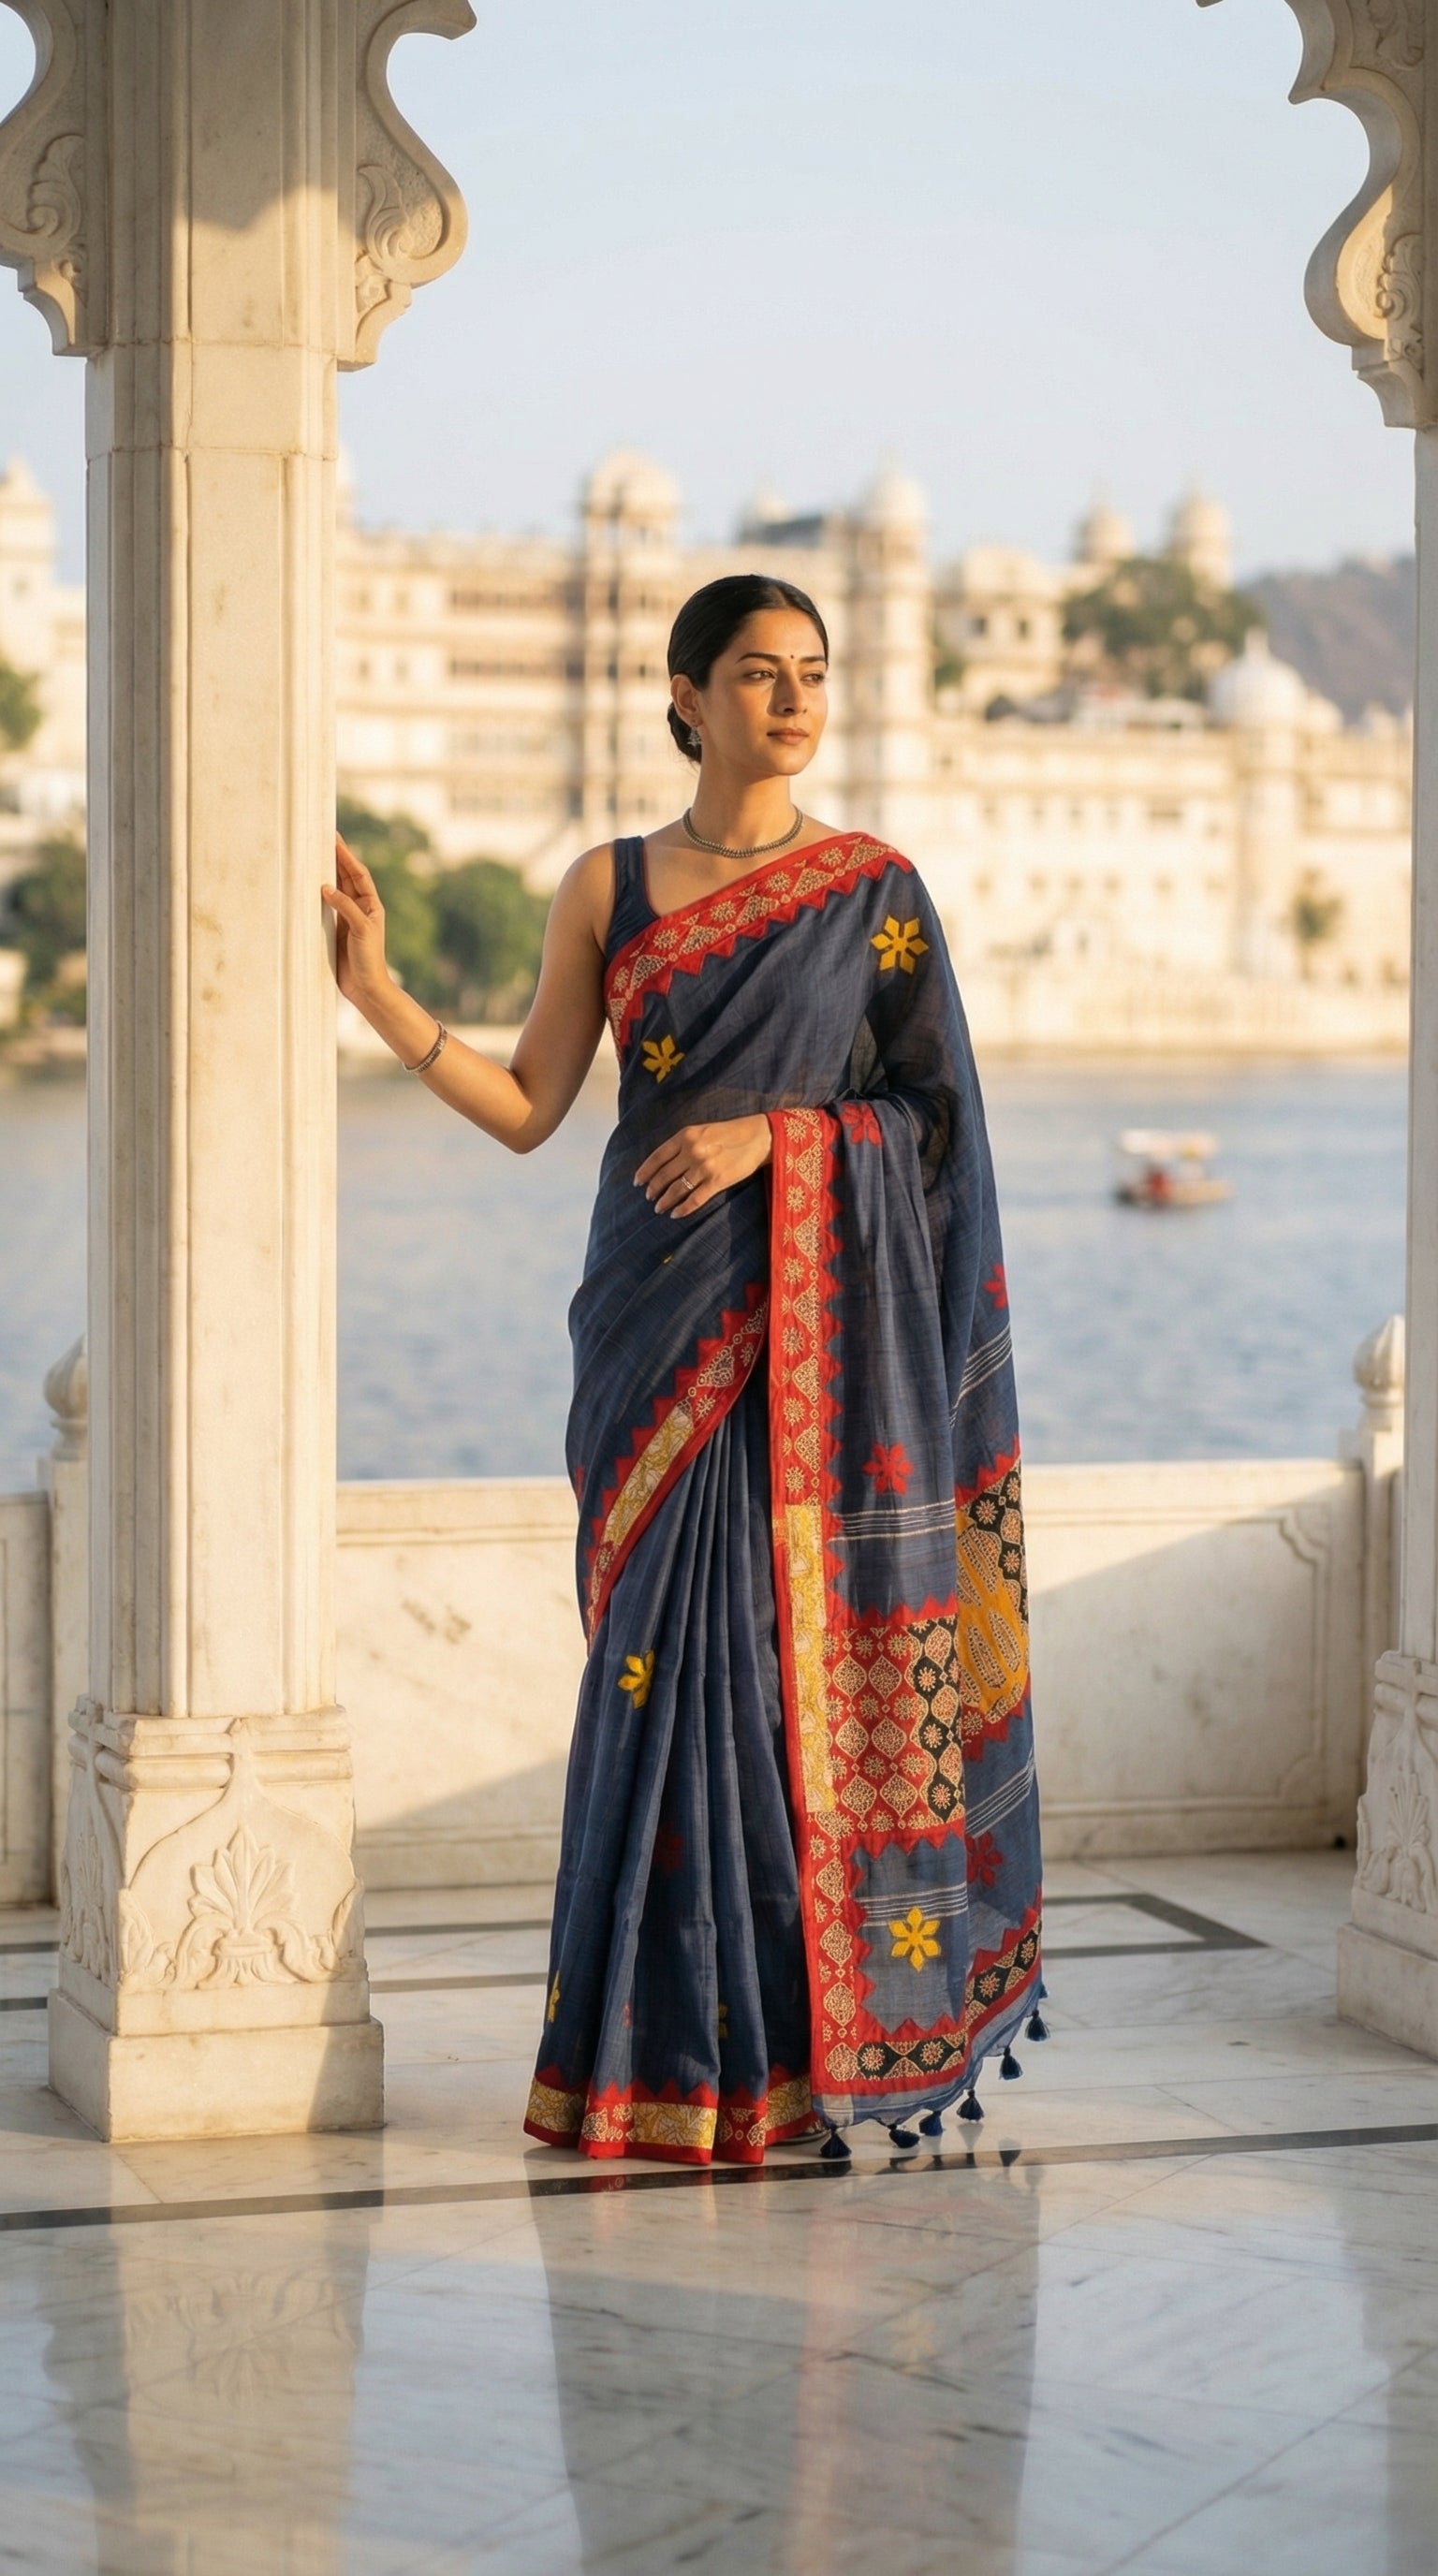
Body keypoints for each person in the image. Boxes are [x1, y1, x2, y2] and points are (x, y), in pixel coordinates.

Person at [323, 573, 1043, 2166]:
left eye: (814, 673)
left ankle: (779, 2065)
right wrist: (376, 992)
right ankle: (632, 2067)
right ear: (685, 697)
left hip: (806, 1357)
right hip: (652, 1333)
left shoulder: (877, 894)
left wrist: (778, 1142)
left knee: (776, 1698)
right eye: (758, 673)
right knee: (649, 1683)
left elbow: (936, 1133)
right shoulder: (611, 886)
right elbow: (528, 1104)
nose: (793, 701)